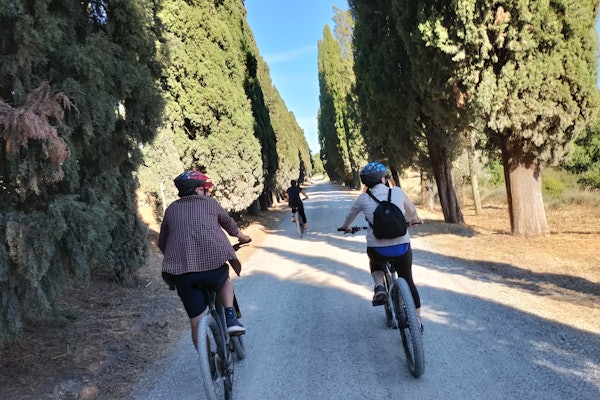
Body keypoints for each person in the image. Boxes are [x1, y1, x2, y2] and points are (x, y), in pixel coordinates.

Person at [158, 170, 251, 349]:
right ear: (199, 189)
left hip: (183, 276)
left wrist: (179, 258)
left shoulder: (171, 210)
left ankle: (209, 361)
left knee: (196, 321)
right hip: (213, 269)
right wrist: (243, 238)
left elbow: (163, 243)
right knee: (225, 280)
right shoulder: (210, 203)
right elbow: (230, 226)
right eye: (203, 188)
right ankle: (230, 316)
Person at [338, 162, 423, 327]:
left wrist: (346, 227)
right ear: (383, 179)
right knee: (408, 279)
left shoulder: (364, 198)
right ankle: (417, 320)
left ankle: (379, 286)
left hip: (378, 250)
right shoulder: (397, 192)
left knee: (375, 261)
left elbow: (350, 216)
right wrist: (415, 220)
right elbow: (413, 212)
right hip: (402, 248)